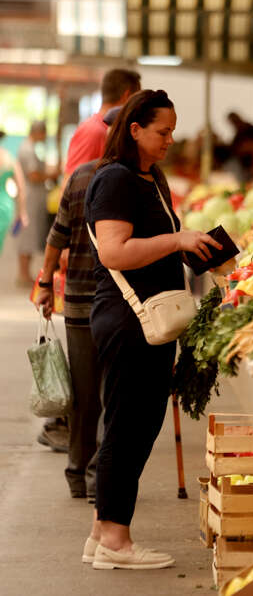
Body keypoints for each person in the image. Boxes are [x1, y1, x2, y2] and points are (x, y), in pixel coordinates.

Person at [83, 90, 220, 569]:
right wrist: (176, 239)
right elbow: (114, 252)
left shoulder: (146, 179)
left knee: (134, 423)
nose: (170, 140)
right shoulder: (116, 180)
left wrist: (192, 246)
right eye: (163, 131)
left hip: (148, 319)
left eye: (173, 132)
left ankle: (102, 531)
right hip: (129, 319)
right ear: (135, 130)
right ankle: (116, 542)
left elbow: (148, 243)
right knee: (130, 426)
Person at [34, 107, 123, 500]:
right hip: (91, 301)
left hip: (116, 303)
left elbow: (57, 237)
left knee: (99, 396)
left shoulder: (144, 178)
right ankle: (82, 473)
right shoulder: (88, 176)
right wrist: (43, 282)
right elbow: (59, 234)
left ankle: (90, 474)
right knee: (91, 395)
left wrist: (45, 283)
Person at [64, 69, 141, 187]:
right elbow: (74, 184)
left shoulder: (110, 130)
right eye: (136, 99)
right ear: (127, 96)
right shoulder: (93, 131)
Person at [15, 121, 57, 287]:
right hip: (30, 197)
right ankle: (23, 274)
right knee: (27, 235)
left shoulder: (30, 147)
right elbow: (33, 175)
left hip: (34, 197)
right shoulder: (28, 149)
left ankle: (24, 273)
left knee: (30, 236)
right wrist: (51, 175)